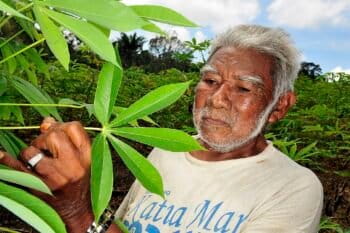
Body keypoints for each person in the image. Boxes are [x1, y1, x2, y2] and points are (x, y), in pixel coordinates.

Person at [0, 25, 323, 233]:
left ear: (279, 106)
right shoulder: (167, 149)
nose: (218, 100)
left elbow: (91, 224)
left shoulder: (294, 188)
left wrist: (79, 213)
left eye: (243, 89)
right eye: (210, 81)